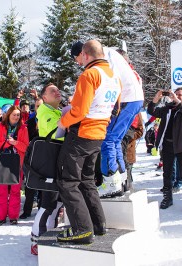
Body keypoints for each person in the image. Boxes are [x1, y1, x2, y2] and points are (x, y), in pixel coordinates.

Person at [56, 40, 121, 244]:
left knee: (67, 182)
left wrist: (63, 121)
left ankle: (83, 230)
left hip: (82, 133)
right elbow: (116, 107)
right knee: (87, 181)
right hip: (98, 134)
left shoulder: (89, 75)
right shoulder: (112, 76)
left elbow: (80, 111)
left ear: (85, 54)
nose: (79, 61)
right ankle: (98, 224)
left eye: (79, 57)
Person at [71, 40, 144, 197]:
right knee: (115, 141)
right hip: (133, 98)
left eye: (77, 60)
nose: (80, 64)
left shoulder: (103, 57)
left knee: (108, 140)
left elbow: (111, 81)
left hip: (126, 98)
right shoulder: (106, 53)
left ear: (82, 54)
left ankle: (111, 181)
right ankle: (122, 179)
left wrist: (109, 107)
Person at [147, 87, 182, 212]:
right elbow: (152, 111)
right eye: (176, 94)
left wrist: (178, 102)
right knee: (167, 174)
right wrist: (156, 98)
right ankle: (167, 198)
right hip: (168, 146)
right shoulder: (167, 108)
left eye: (180, 95)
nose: (177, 96)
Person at [30, 83, 63, 255]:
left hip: (59, 164)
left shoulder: (57, 111)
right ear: (44, 98)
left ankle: (49, 234)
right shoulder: (44, 112)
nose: (57, 92)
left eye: (57, 89)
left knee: (57, 203)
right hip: (50, 165)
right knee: (48, 203)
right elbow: (57, 131)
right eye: (52, 91)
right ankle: (37, 238)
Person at [0, 106, 29, 226]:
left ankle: (13, 216)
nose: (16, 117)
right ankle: (0, 217)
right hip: (3, 162)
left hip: (17, 163)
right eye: (14, 114)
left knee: (15, 191)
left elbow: (25, 147)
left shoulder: (23, 128)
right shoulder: (2, 127)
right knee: (2, 191)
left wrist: (15, 143)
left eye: (18, 115)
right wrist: (8, 143)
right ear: (8, 115)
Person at [20, 97, 43, 221]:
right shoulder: (30, 121)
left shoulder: (50, 120)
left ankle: (41, 209)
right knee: (30, 185)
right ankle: (27, 210)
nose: (38, 108)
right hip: (32, 156)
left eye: (40, 106)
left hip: (45, 156)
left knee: (43, 186)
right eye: (37, 106)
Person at [120, 113, 144, 191]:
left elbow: (140, 132)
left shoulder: (136, 112)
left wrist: (128, 135)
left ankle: (128, 189)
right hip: (115, 150)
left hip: (128, 150)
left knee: (127, 173)